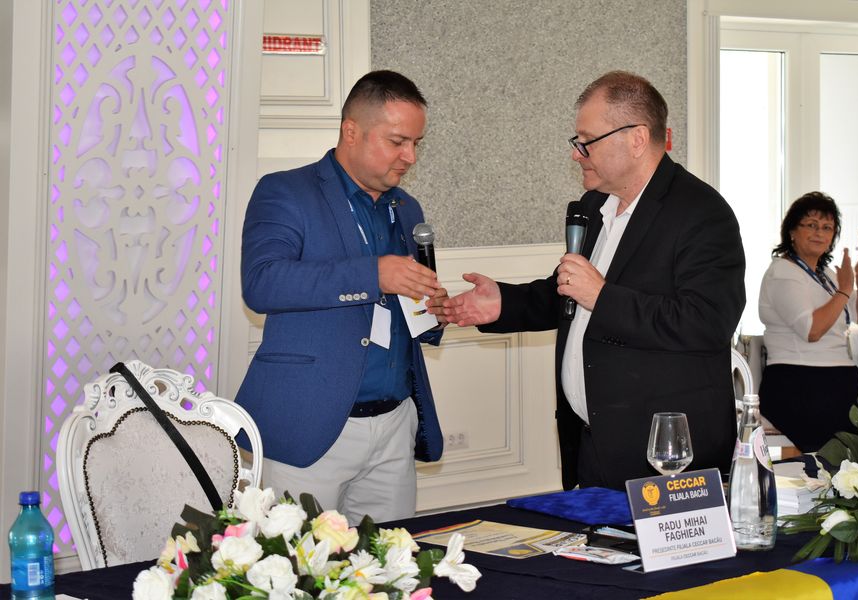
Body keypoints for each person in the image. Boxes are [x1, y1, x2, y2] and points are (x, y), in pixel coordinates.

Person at [437, 71, 745, 491]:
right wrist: (503, 304)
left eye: (587, 141)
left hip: (663, 455)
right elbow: (569, 291)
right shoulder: (596, 204)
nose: (576, 153)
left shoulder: (702, 213)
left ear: (637, 138)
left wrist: (602, 296)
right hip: (592, 442)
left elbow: (706, 323)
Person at [236, 70, 448, 524]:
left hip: (394, 425)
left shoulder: (407, 208)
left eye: (416, 143)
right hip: (309, 423)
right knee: (297, 565)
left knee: (388, 563)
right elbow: (262, 282)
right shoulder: (284, 191)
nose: (410, 156)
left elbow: (401, 301)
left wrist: (434, 309)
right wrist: (374, 274)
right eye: (397, 141)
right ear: (351, 131)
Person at [758, 192, 858, 452]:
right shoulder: (783, 272)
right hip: (798, 380)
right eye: (811, 225)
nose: (819, 233)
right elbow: (812, 331)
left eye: (827, 228)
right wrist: (844, 290)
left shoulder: (828, 275)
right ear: (792, 231)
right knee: (854, 448)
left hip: (841, 378)